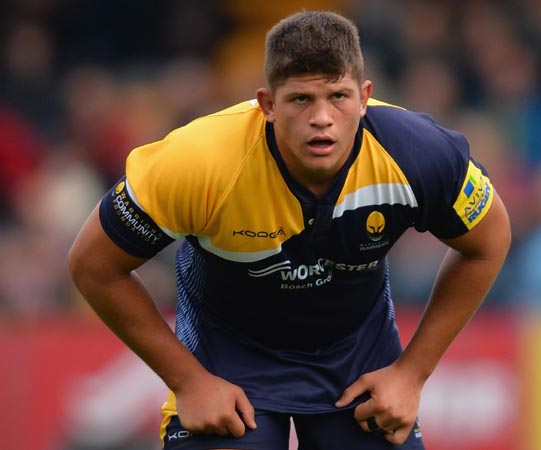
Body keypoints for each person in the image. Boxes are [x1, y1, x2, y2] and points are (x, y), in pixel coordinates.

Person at [68, 10, 511, 450]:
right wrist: (187, 380)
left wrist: (412, 373)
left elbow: (489, 241)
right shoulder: (197, 162)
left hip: (358, 365)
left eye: (338, 96)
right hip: (227, 364)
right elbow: (93, 265)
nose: (322, 118)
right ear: (267, 105)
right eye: (300, 99)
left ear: (364, 97)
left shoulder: (418, 153)